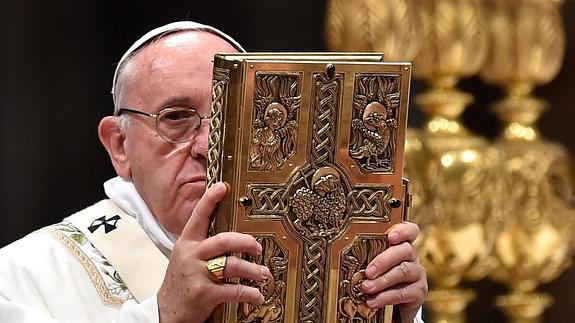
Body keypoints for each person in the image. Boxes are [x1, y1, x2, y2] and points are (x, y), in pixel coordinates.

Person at [0, 21, 427, 323]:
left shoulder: (325, 266)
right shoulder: (22, 277)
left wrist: (395, 316)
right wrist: (164, 316)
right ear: (119, 145)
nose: (207, 146)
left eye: (236, 118)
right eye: (176, 118)